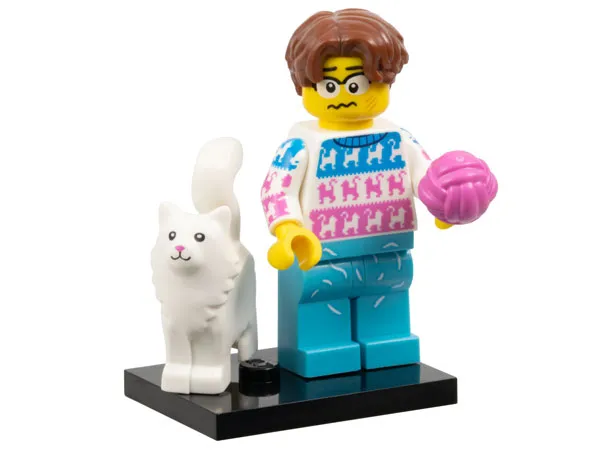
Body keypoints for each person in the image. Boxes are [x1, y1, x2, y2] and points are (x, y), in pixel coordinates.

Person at [260, 9, 497, 378]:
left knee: (386, 301)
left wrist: (445, 201)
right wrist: (289, 229)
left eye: (357, 84)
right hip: (319, 252)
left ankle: (388, 344)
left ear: (385, 80)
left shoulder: (397, 139)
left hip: (389, 248)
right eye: (329, 86)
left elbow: (424, 176)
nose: (343, 96)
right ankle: (321, 351)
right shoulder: (301, 144)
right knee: (319, 304)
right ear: (304, 85)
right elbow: (276, 189)